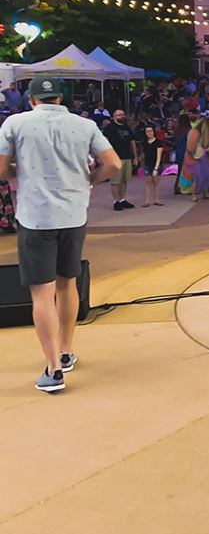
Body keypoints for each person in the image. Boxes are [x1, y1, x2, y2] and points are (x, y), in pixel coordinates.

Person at [0, 77, 122, 392]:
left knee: (41, 293)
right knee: (67, 283)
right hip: (73, 214)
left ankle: (53, 369)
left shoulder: (16, 123)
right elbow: (113, 163)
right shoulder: (83, 125)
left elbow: (0, 167)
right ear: (59, 98)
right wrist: (89, 179)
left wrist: (17, 173)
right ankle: (66, 352)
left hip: (36, 217)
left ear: (31, 100)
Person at [102, 109, 138, 211]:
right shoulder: (109, 128)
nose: (122, 116)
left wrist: (135, 156)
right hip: (115, 158)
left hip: (127, 156)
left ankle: (122, 199)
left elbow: (132, 142)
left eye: (123, 114)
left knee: (124, 179)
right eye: (119, 115)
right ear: (114, 116)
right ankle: (116, 201)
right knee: (115, 180)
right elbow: (105, 143)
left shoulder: (127, 127)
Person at [141, 125, 165, 207]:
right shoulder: (144, 143)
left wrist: (156, 168)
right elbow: (144, 154)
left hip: (156, 165)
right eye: (147, 131)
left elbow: (159, 156)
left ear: (153, 132)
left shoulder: (158, 142)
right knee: (148, 182)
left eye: (150, 131)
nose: (149, 133)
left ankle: (156, 199)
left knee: (156, 182)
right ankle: (147, 201)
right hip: (147, 164)